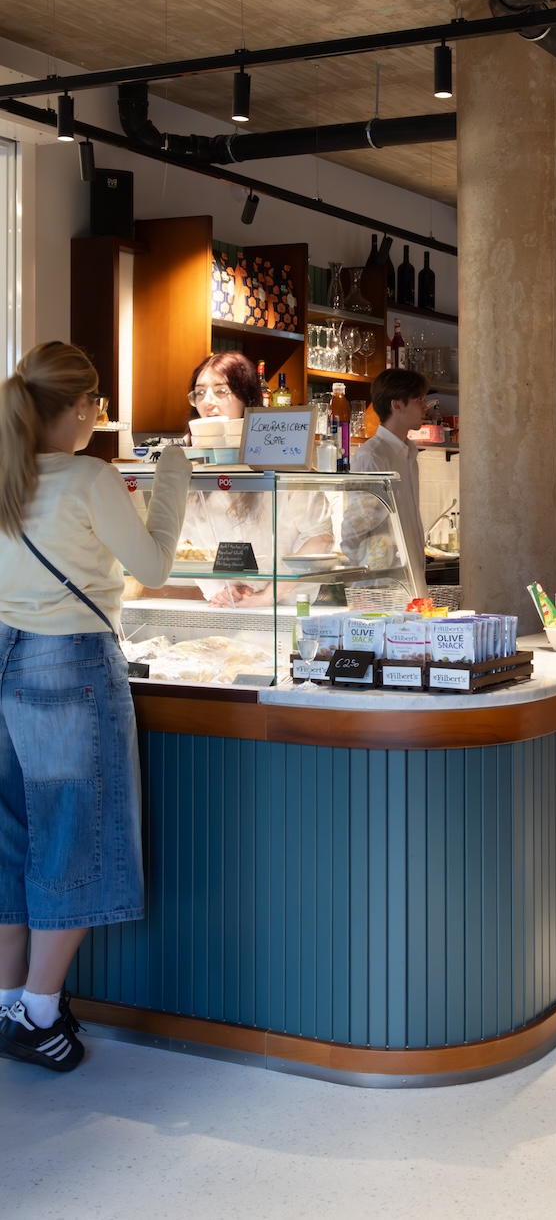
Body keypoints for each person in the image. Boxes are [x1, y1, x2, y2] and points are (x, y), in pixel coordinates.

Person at [0, 341, 190, 1071]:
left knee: (12, 840)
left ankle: (11, 999)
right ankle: (40, 1012)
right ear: (80, 407)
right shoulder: (88, 476)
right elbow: (153, 567)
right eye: (97, 406)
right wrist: (173, 479)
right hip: (67, 662)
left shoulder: (9, 470)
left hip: (4, 659)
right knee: (72, 836)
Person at [183, 351, 330, 606]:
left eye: (221, 391)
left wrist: (267, 597)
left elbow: (321, 538)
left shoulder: (283, 457)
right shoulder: (190, 464)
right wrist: (219, 589)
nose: (207, 401)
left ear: (247, 396)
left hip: (288, 610)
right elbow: (186, 542)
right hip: (224, 606)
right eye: (199, 392)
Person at [343, 368, 429, 598]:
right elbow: (355, 526)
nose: (425, 406)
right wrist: (362, 570)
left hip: (411, 583)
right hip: (381, 588)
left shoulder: (409, 453)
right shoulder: (372, 456)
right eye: (418, 399)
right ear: (397, 405)